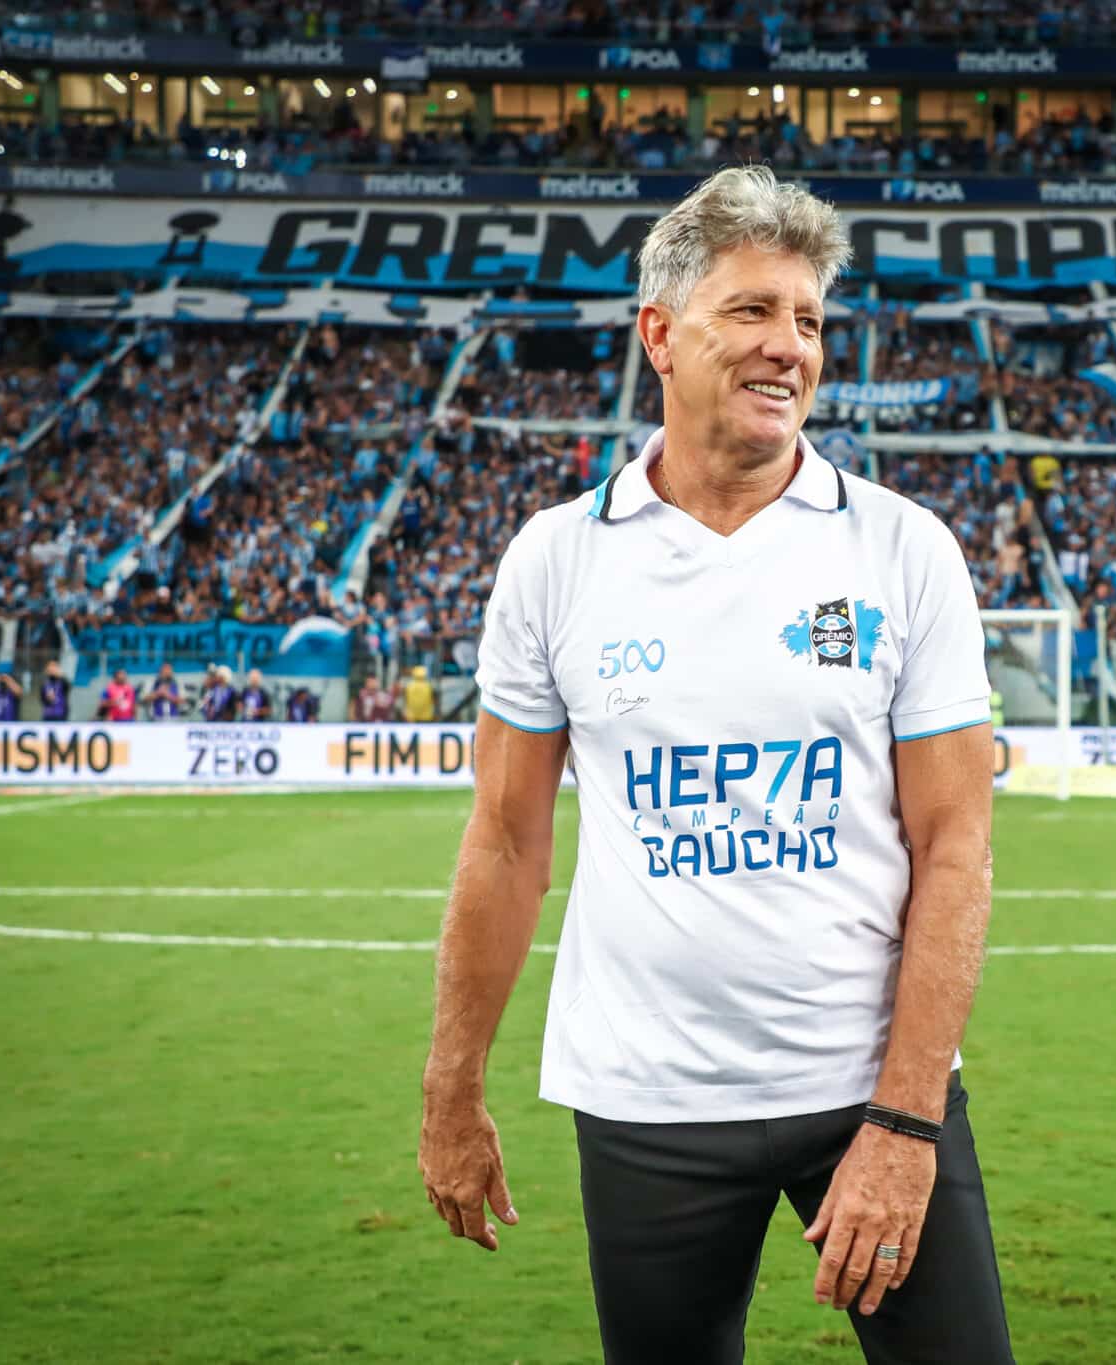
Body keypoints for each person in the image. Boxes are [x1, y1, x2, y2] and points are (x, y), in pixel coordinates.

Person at [417, 166, 1011, 1365]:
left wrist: (906, 1120)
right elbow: (507, 842)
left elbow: (955, 847)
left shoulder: (904, 549)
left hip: (868, 1089)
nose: (789, 346)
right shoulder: (554, 560)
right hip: (645, 1103)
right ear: (659, 335)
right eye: (750, 310)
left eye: (807, 319)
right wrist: (451, 1087)